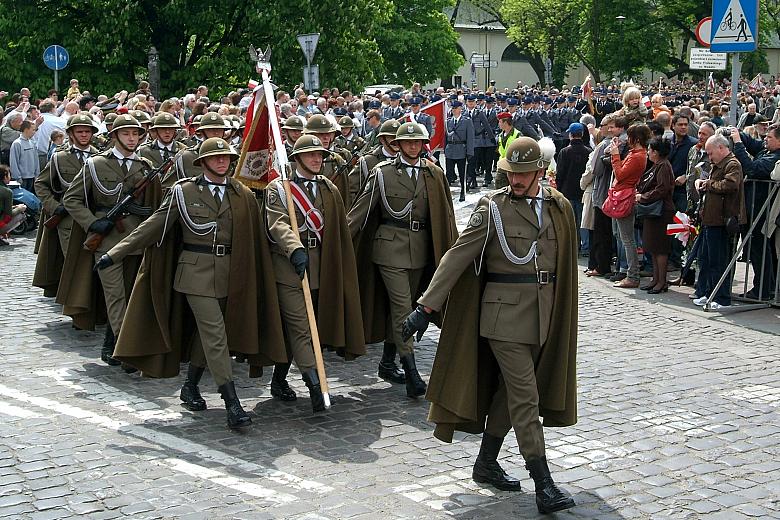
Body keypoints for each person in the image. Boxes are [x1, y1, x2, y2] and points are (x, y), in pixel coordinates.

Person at [402, 136, 577, 514]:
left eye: (523, 174)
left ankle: (485, 462)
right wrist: (426, 307)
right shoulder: (492, 208)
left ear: (540, 172)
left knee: (508, 394)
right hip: (503, 319)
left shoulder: (559, 207)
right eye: (511, 173)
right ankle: (543, 483)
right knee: (526, 398)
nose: (515, 181)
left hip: (543, 316)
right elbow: (457, 256)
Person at [97, 138, 285, 430]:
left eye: (226, 157)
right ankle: (232, 403)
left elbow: (256, 236)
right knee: (215, 334)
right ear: (203, 162)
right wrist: (114, 253)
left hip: (231, 274)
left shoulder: (242, 194)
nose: (223, 162)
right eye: (216, 158)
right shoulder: (183, 192)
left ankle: (191, 385)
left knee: (206, 335)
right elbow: (153, 226)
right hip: (194, 274)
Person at [348, 122, 457, 397]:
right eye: (406, 142)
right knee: (401, 309)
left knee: (408, 305)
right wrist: (337, 243)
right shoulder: (382, 173)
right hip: (388, 250)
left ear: (423, 144)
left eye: (417, 142)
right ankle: (411, 372)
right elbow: (359, 213)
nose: (412, 146)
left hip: (421, 250)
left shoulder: (433, 173)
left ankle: (387, 362)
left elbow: (446, 216)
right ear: (396, 144)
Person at [264, 135, 365, 411]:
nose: (317, 159)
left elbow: (337, 229)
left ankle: (279, 379)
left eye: (320, 154)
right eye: (310, 155)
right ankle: (315, 385)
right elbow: (278, 222)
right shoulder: (280, 189)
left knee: (312, 328)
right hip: (289, 268)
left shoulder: (329, 188)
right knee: (301, 328)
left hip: (322, 267)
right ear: (297, 158)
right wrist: (294, 249)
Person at [60, 114, 163, 361]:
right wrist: (93, 222)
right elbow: (71, 199)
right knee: (115, 295)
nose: (131, 138)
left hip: (136, 241)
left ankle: (111, 340)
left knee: (130, 294)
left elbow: (155, 205)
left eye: (135, 134)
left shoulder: (145, 167)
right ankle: (124, 348)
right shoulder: (96, 164)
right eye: (126, 133)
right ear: (115, 136)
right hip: (106, 240)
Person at [33, 114, 100, 297]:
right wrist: (54, 206)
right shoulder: (59, 158)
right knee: (72, 261)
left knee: (94, 261)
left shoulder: (99, 157)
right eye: (80, 131)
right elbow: (40, 184)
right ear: (71, 134)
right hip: (67, 219)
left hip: (93, 217)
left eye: (87, 131)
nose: (84, 135)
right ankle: (72, 302)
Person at [693, 135, 746, 309]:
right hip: (711, 218)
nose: (710, 157)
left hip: (722, 220)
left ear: (721, 148)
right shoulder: (720, 164)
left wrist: (709, 184)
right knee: (707, 259)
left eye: (711, 153)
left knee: (718, 261)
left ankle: (721, 297)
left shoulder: (732, 164)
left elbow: (730, 185)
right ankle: (708, 293)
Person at [731, 123, 780, 299]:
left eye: (770, 137)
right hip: (753, 209)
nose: (765, 139)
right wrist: (736, 133)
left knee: (760, 252)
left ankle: (763, 289)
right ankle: (765, 287)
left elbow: (753, 169)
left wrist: (737, 144)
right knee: (756, 251)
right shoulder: (767, 150)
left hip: (761, 211)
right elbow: (753, 143)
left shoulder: (775, 158)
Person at [611, 123, 651, 288]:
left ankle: (632, 275)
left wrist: (615, 156)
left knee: (627, 239)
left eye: (629, 136)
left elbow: (620, 174)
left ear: (635, 138)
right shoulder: (635, 153)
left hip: (625, 196)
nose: (627, 139)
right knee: (623, 236)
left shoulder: (637, 156)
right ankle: (630, 273)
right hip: (622, 194)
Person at [636, 137, 675, 293]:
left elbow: (662, 189)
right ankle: (656, 279)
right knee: (653, 246)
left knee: (660, 248)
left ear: (656, 152)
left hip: (661, 211)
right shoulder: (658, 165)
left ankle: (661, 281)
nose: (648, 153)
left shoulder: (664, 166)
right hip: (654, 211)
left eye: (650, 150)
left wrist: (643, 197)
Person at [555, 122, 592, 255]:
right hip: (583, 191)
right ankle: (585, 246)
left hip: (567, 191)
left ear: (570, 135)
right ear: (582, 135)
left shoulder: (564, 151)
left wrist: (558, 189)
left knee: (570, 220)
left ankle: (573, 245)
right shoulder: (589, 151)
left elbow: (560, 173)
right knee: (583, 220)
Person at [444, 101, 474, 200]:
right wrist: (445, 149)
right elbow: (445, 137)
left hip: (461, 149)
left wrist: (470, 152)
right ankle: (447, 194)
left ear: (460, 109)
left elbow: (470, 137)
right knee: (449, 173)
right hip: (450, 150)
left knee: (462, 174)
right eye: (452, 108)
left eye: (455, 108)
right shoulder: (448, 121)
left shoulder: (466, 121)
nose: (453, 110)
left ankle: (463, 191)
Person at [9, 120, 39, 193]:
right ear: (26, 129)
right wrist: (17, 177)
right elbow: (14, 162)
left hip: (32, 177)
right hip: (22, 178)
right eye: (33, 130)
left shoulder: (32, 142)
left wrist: (37, 174)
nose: (34, 132)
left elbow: (36, 159)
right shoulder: (17, 143)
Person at [0, 165, 27, 243]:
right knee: (21, 215)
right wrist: (20, 209)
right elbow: (9, 214)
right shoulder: (7, 192)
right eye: (9, 175)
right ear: (5, 176)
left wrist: (14, 207)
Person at [495, 112, 519, 189]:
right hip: (502, 166)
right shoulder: (500, 135)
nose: (499, 124)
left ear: (505, 122)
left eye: (500, 122)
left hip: (513, 167)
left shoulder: (517, 135)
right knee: (499, 190)